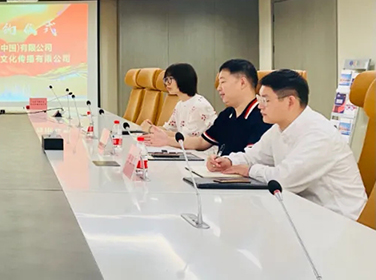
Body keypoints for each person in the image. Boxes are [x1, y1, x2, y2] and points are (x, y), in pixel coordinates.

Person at [208, 70, 367, 220]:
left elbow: (284, 180)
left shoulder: (319, 134)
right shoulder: (279, 128)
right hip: (305, 212)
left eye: (265, 100)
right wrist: (228, 161)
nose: (260, 106)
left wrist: (249, 170)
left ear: (290, 101)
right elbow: (253, 155)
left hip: (339, 220)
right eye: (259, 99)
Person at [145, 59, 269, 155]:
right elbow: (201, 141)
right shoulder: (228, 114)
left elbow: (251, 159)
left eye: (223, 82)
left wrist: (226, 163)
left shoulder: (262, 115)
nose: (218, 88)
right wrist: (167, 140)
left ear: (242, 82)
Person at [141, 63, 216, 138]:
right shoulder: (180, 104)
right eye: (166, 80)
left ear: (183, 79)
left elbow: (185, 137)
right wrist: (151, 127)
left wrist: (151, 129)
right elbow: (170, 128)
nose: (167, 83)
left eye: (170, 79)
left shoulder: (199, 105)